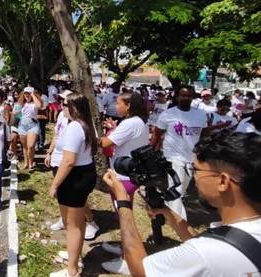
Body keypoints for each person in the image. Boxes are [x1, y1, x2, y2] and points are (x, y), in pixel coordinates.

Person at [103, 131, 261, 276]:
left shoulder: (206, 253)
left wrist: (123, 202)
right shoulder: (236, 236)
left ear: (222, 181)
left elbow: (141, 269)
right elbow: (208, 243)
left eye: (196, 170)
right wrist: (171, 217)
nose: (195, 178)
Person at [98, 92, 150, 274]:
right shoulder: (138, 122)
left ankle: (128, 260)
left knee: (124, 217)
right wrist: (114, 128)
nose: (115, 106)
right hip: (129, 174)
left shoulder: (129, 123)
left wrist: (106, 133)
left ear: (128, 105)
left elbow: (105, 143)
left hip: (124, 178)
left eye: (118, 103)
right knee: (122, 214)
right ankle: (123, 247)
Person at [47, 91, 98, 277]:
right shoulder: (84, 125)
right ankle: (73, 256)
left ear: (74, 108)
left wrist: (54, 184)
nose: (62, 107)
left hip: (75, 178)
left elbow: (68, 161)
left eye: (65, 105)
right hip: (84, 173)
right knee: (77, 223)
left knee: (72, 226)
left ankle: (72, 271)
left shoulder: (74, 127)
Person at [150, 85, 209, 220]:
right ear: (176, 97)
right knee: (176, 189)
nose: (185, 98)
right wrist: (150, 150)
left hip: (191, 158)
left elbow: (205, 135)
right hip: (173, 157)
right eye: (182, 95)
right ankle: (181, 223)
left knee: (181, 190)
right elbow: (157, 134)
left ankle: (164, 210)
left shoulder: (200, 114)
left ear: (193, 97)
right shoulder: (168, 114)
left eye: (189, 96)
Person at [15, 87, 43, 170]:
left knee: (30, 145)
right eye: (26, 93)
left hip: (33, 125)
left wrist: (33, 95)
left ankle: (31, 163)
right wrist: (18, 112)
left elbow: (39, 106)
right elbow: (15, 113)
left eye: (29, 93)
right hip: (22, 125)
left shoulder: (34, 103)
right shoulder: (20, 103)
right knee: (25, 146)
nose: (27, 95)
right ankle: (26, 163)